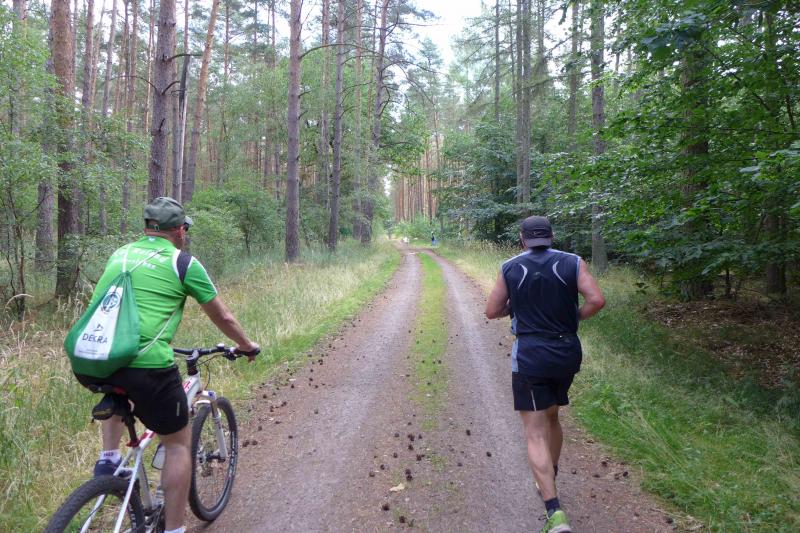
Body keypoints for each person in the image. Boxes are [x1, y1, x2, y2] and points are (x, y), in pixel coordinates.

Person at [72, 197, 260, 533]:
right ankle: (174, 529)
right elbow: (223, 316)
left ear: (147, 227)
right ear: (180, 230)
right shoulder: (183, 263)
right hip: (148, 367)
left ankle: (109, 459)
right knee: (177, 444)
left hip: (91, 358)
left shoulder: (121, 254)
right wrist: (246, 346)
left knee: (122, 387)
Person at [485, 215, 605, 533]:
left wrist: (513, 307)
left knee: (535, 433)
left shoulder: (510, 267)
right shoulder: (573, 262)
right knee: (553, 415)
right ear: (551, 236)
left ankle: (554, 513)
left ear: (522, 239)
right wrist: (573, 318)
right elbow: (597, 300)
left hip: (531, 356)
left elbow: (491, 310)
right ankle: (550, 473)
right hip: (567, 353)